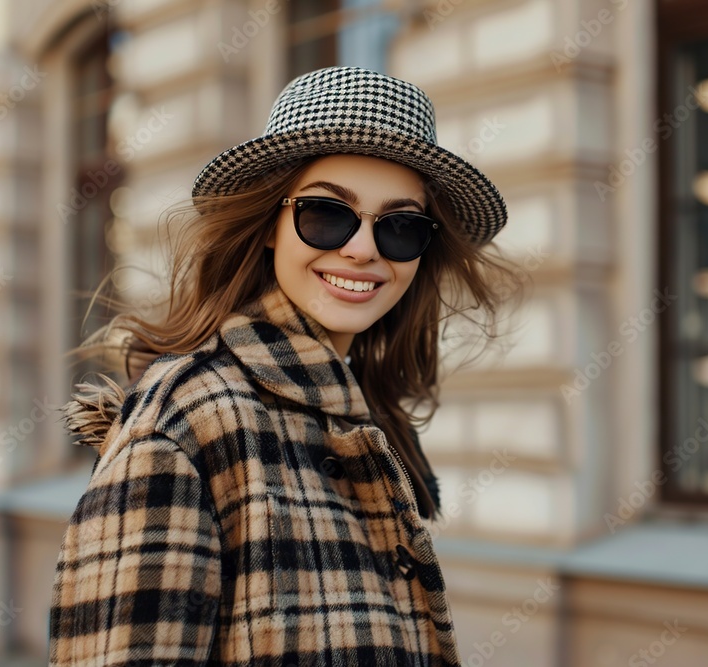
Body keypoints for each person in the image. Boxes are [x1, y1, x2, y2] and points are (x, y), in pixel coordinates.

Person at [48, 65, 515, 667]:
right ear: (270, 223)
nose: (364, 249)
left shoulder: (361, 421)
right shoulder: (188, 419)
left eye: (401, 226)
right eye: (326, 214)